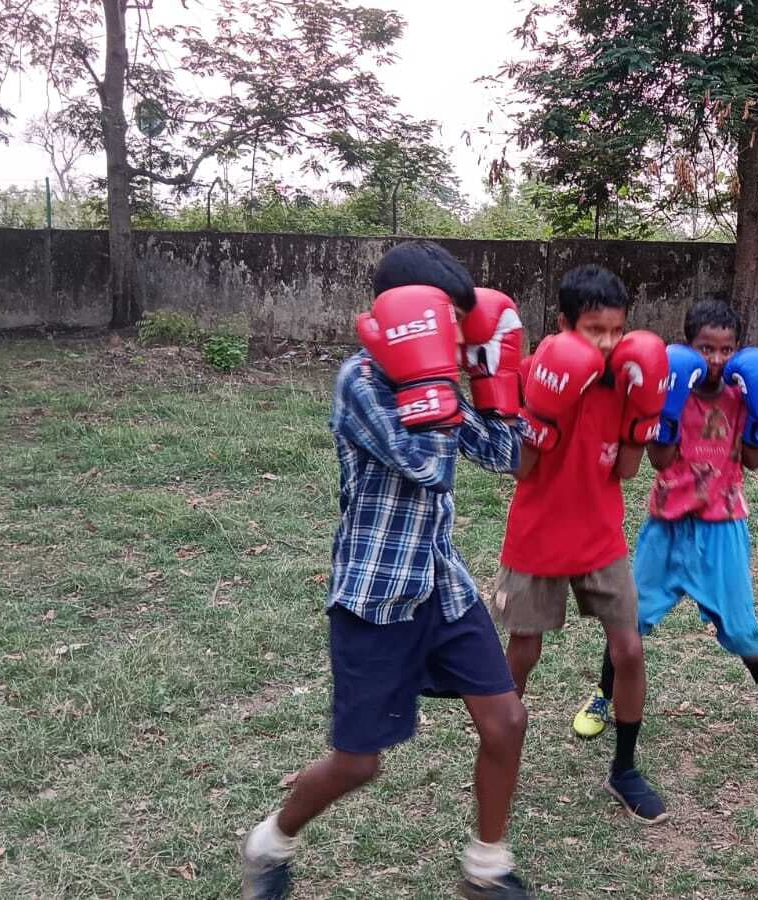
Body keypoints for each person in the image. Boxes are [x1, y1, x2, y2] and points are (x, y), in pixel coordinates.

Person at [237, 241, 533, 900]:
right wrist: (437, 385)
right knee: (358, 763)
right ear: (408, 319)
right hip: (374, 596)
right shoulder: (360, 383)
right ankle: (268, 843)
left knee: (506, 721)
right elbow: (427, 462)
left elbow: (508, 457)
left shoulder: (444, 379)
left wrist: (499, 385)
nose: (459, 340)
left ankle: (486, 868)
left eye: (464, 328)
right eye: (448, 326)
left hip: (439, 583)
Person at [571, 297, 758, 765]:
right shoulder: (667, 389)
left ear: (737, 349)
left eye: (725, 349)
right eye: (705, 348)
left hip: (721, 526)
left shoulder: (744, 395)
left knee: (741, 630)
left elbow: (755, 462)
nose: (715, 359)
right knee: (629, 622)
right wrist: (669, 413)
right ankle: (604, 694)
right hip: (665, 523)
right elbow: (658, 462)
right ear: (688, 346)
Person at [495, 264, 674, 824]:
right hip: (538, 535)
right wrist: (538, 417)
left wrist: (641, 422)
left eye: (617, 331)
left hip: (601, 537)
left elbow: (624, 469)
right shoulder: (534, 372)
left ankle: (624, 768)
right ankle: (500, 758)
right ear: (564, 324)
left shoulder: (627, 380)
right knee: (522, 653)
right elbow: (520, 467)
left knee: (629, 650)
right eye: (594, 331)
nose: (608, 343)